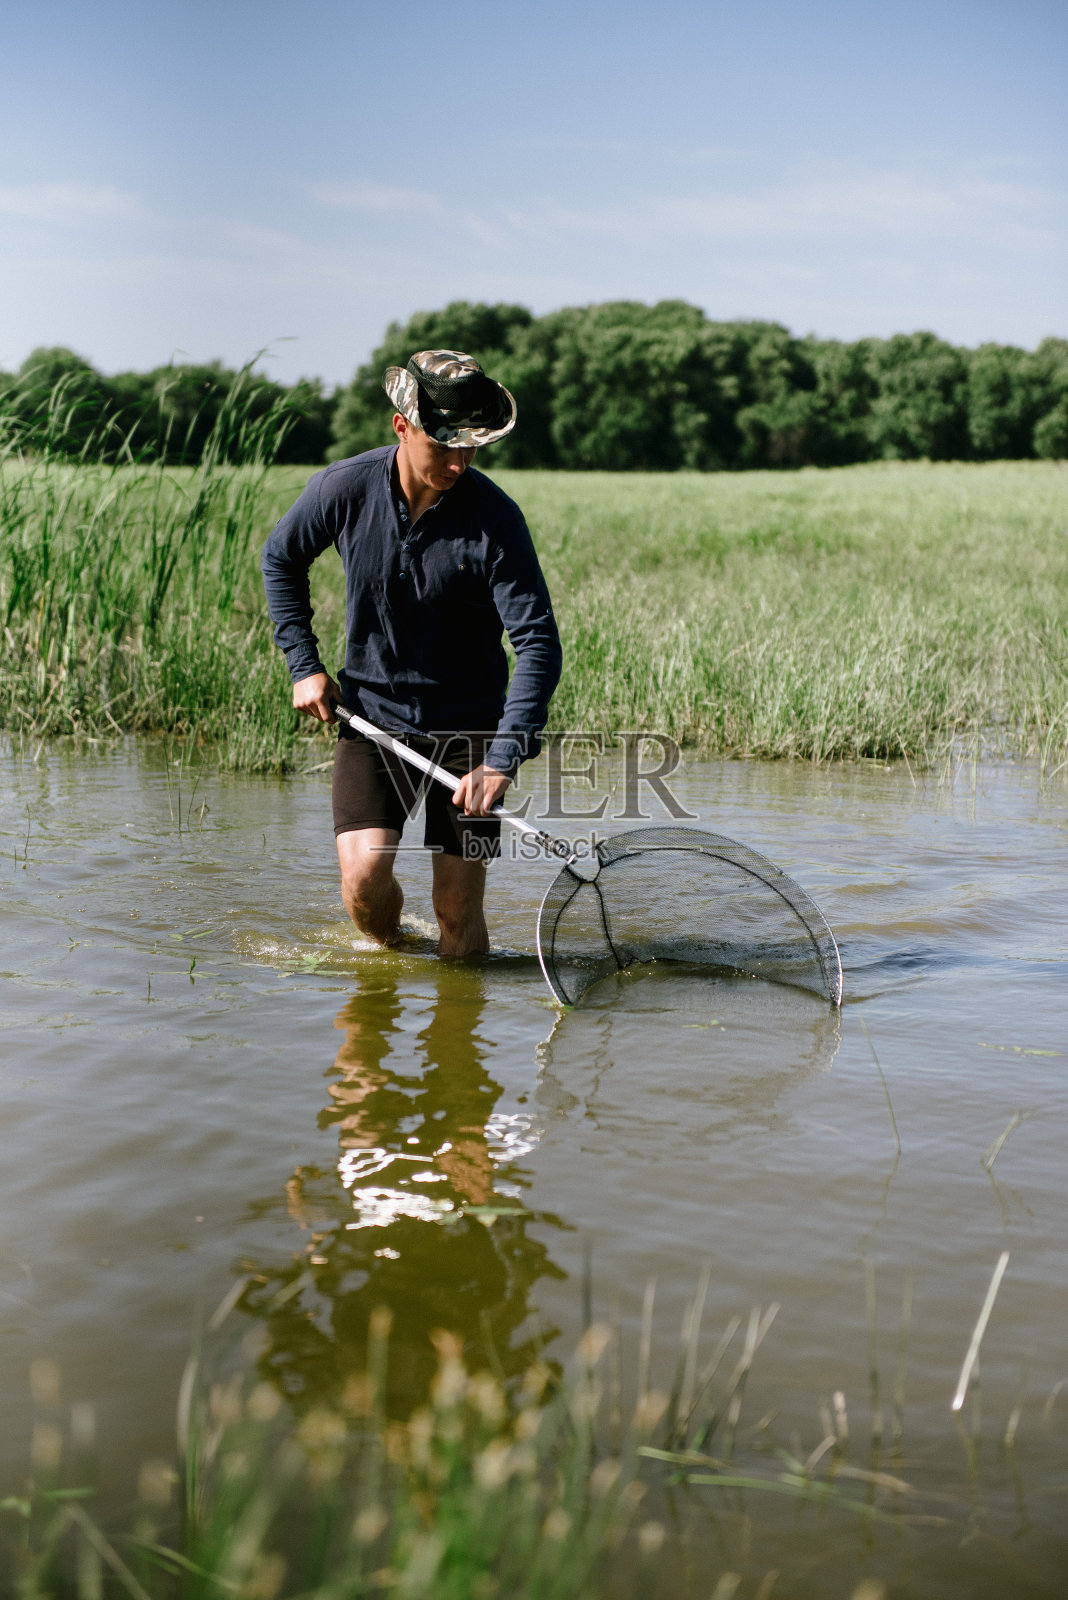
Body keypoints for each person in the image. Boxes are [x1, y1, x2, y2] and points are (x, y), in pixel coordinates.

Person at [261, 349, 562, 958]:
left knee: (457, 908)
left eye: (471, 448)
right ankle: (394, 961)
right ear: (403, 426)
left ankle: (458, 1013)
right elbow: (281, 559)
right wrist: (304, 665)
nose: (458, 463)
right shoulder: (345, 487)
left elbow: (537, 642)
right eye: (444, 445)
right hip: (372, 719)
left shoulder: (497, 520)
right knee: (363, 883)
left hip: (471, 729)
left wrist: (502, 759)